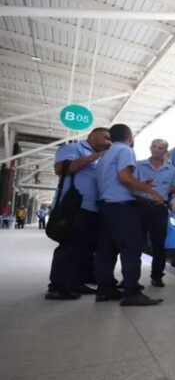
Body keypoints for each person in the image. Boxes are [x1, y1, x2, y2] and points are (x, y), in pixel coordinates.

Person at [95, 124, 164, 306]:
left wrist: (139, 186)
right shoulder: (125, 150)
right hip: (122, 208)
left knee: (107, 251)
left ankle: (104, 290)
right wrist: (150, 191)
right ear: (129, 136)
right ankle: (132, 292)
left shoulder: (105, 155)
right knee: (131, 249)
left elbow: (114, 182)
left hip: (106, 207)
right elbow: (124, 178)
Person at [46, 127, 111, 300]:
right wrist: (95, 156)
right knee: (69, 246)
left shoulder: (103, 157)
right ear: (92, 135)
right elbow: (60, 168)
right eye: (105, 137)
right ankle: (57, 287)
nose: (108, 141)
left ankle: (75, 282)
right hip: (73, 206)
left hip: (93, 209)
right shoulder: (74, 148)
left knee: (84, 248)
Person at [134, 139, 175, 288]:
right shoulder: (139, 165)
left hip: (159, 210)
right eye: (154, 147)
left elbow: (173, 189)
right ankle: (131, 278)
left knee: (159, 245)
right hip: (139, 207)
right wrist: (142, 187)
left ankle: (157, 276)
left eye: (160, 148)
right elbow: (131, 186)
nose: (156, 150)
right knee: (136, 244)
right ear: (150, 148)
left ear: (165, 151)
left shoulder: (171, 170)